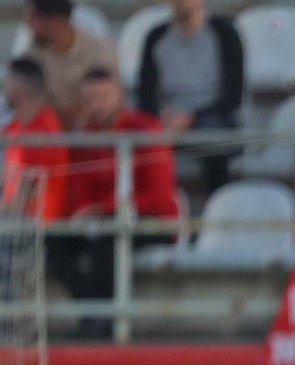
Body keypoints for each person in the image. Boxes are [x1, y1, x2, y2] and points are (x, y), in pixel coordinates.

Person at [46, 69, 177, 333]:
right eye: (89, 99)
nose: (96, 105)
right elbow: (76, 193)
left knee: (105, 238)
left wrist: (102, 208)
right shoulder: (80, 140)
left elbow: (157, 197)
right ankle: (94, 312)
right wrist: (80, 214)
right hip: (99, 222)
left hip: (152, 221)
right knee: (54, 239)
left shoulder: (145, 129)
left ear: (121, 96)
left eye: (103, 97)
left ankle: (103, 321)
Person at [135, 0, 245, 195]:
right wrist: (161, 115)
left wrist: (191, 117)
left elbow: (232, 96)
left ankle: (215, 200)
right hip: (168, 119)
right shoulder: (156, 36)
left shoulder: (225, 33)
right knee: (139, 133)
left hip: (213, 117)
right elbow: (144, 95)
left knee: (213, 134)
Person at [20, 0, 118, 125]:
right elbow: (27, 108)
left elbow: (112, 104)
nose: (28, 23)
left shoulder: (99, 51)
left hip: (95, 131)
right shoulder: (30, 57)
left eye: (33, 17)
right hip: (48, 132)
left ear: (56, 21)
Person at [2, 58, 68, 222]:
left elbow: (24, 194)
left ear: (17, 89)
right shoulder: (15, 127)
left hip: (35, 225)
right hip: (14, 219)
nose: (2, 87)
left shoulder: (45, 132)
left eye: (6, 81)